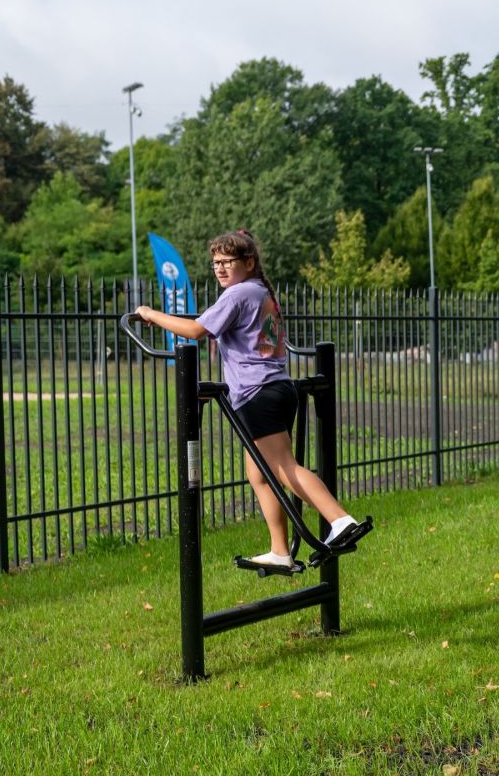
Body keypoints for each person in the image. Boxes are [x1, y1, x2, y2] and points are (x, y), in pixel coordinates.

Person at [134, 230, 366, 569]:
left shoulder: (238, 294)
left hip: (258, 393)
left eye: (228, 262)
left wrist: (151, 314)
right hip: (275, 389)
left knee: (283, 468)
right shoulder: (260, 293)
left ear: (249, 263)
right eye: (216, 263)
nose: (220, 268)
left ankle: (341, 520)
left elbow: (197, 331)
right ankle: (280, 551)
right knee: (260, 475)